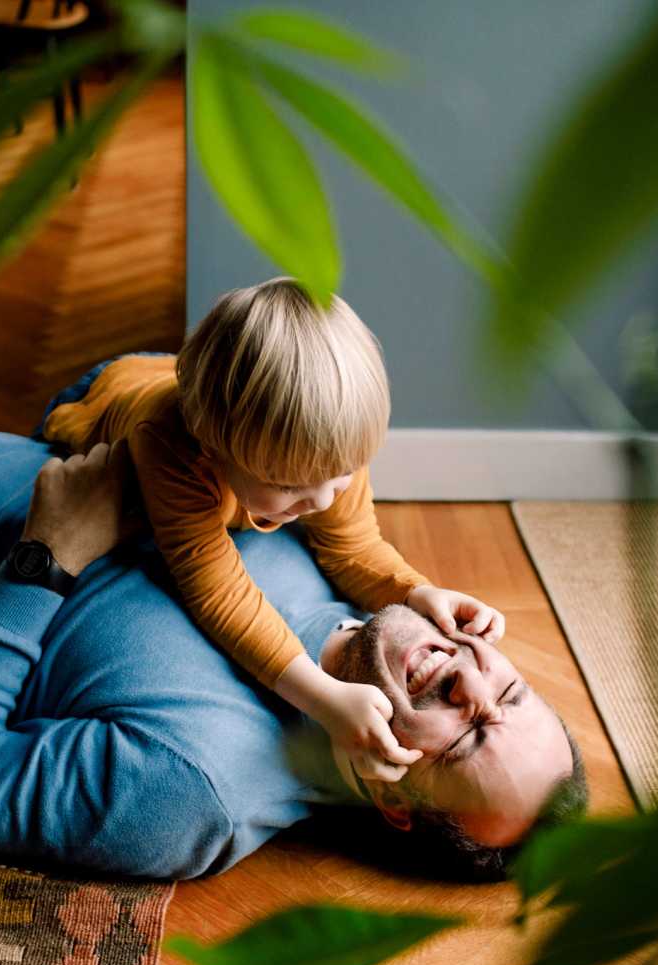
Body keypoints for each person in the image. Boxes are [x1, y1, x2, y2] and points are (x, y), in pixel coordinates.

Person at [0, 139, 585, 880]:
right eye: (504, 687)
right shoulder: (332, 538)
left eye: (467, 734)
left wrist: (43, 560)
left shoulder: (194, 788)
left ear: (396, 798)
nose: (468, 676)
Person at [44, 284, 506, 784]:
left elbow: (352, 547)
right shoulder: (172, 449)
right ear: (213, 451)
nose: (325, 500)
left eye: (344, 474)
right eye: (289, 486)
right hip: (110, 395)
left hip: (182, 376)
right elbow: (217, 592)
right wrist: (323, 699)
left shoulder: (325, 452)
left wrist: (416, 591)